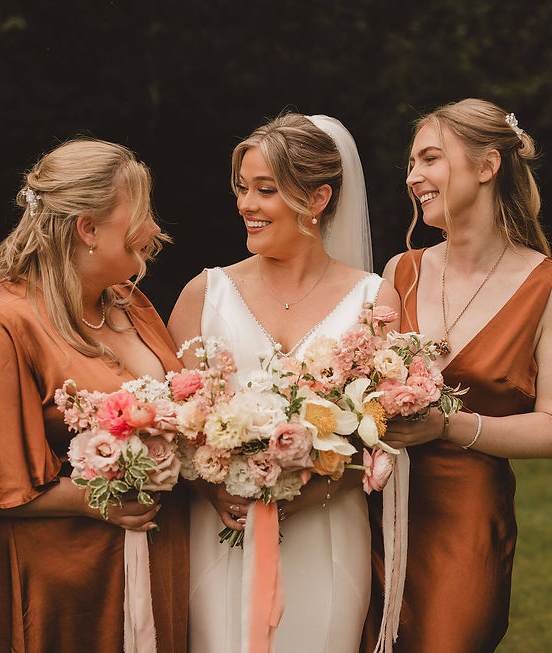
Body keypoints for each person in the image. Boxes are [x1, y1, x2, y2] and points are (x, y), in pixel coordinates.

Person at [0, 139, 188, 652]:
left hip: (156, 565)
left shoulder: (131, 304)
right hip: (59, 590)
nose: (154, 230)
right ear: (87, 228)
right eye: (143, 214)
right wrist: (93, 502)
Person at [362, 99, 552, 652]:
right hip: (373, 510)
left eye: (430, 159)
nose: (414, 176)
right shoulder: (402, 270)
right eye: (412, 163)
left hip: (465, 521)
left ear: (487, 167)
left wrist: (448, 427)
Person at [169, 113, 401, 653]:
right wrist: (211, 486)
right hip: (222, 532)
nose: (246, 204)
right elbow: (173, 416)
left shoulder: (373, 302)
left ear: (318, 198)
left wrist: (317, 484)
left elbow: (385, 432)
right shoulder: (204, 294)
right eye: (242, 188)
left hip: (326, 532)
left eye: (265, 190)